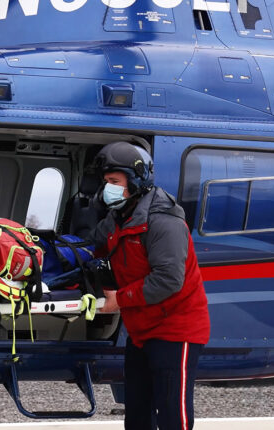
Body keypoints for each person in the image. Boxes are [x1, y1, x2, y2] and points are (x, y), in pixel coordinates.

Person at [89, 141, 210, 430]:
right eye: (106, 182)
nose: (109, 188)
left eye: (115, 181)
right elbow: (95, 250)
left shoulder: (163, 221)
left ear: (135, 181)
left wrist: (120, 298)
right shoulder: (117, 218)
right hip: (142, 330)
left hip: (175, 330)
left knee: (172, 415)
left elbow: (168, 279)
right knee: (138, 416)